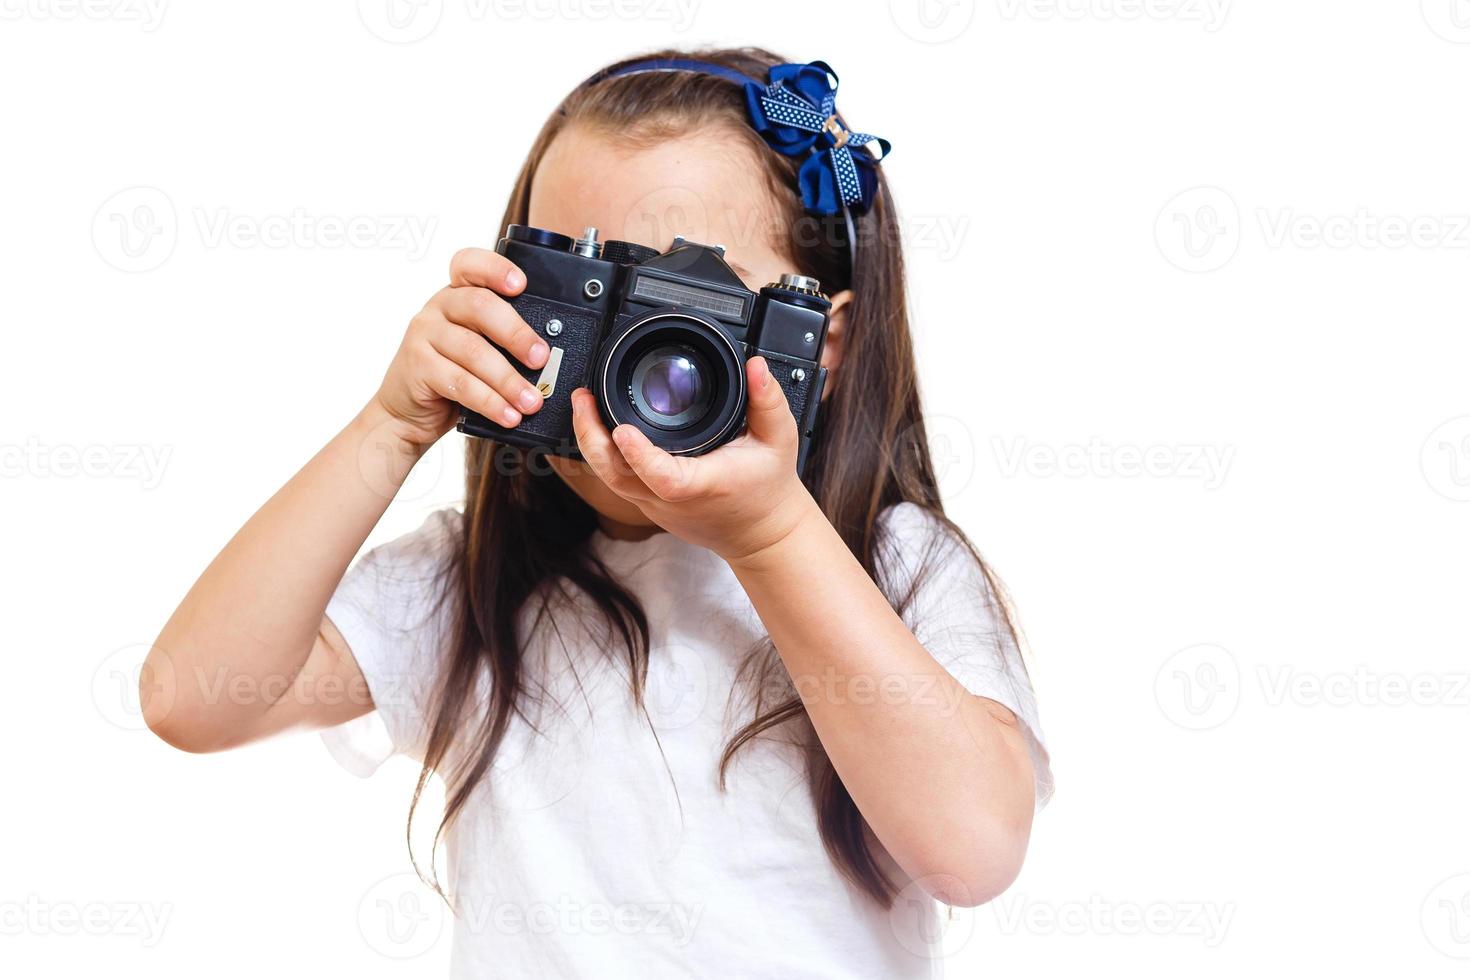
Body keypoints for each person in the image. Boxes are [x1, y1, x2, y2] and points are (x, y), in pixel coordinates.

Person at [144, 46, 1053, 978]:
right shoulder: (481, 586)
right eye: (598, 294)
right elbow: (191, 699)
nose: (644, 366)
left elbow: (975, 850)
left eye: (696, 308)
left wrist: (772, 535)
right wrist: (391, 426)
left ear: (820, 343)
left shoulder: (890, 564)